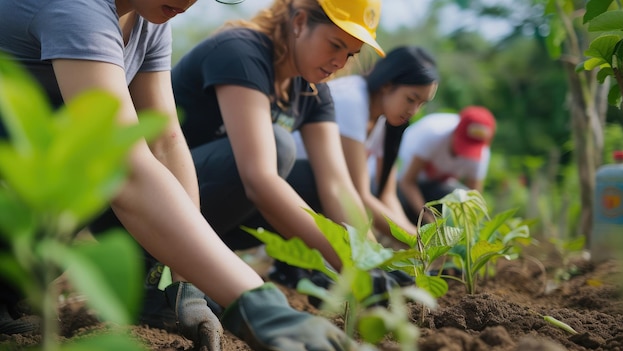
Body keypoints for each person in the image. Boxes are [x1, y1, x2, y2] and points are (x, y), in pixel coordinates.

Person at [0, 0, 359, 350]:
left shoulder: (147, 22)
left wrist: (188, 284)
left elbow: (166, 144)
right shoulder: (76, 8)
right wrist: (253, 298)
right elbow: (126, 167)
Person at [171, 0, 414, 292]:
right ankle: (157, 268)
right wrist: (352, 263)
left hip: (206, 210)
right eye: (334, 44)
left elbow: (338, 187)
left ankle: (269, 270)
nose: (340, 62)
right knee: (279, 147)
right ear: (299, 22)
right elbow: (259, 180)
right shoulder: (241, 52)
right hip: (151, 199)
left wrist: (375, 261)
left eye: (350, 54)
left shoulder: (313, 91)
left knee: (313, 180)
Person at [291, 46, 439, 246]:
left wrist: (415, 243)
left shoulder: (383, 119)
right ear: (387, 85)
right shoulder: (352, 101)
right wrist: (419, 244)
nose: (414, 110)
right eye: (411, 99)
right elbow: (358, 196)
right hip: (293, 182)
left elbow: (387, 195)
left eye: (421, 104)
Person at [396, 106, 497, 223]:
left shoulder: (481, 153)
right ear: (456, 131)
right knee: (402, 204)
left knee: (461, 198)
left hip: (436, 186)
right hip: (403, 181)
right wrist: (429, 221)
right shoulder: (433, 134)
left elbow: (472, 198)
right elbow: (407, 182)